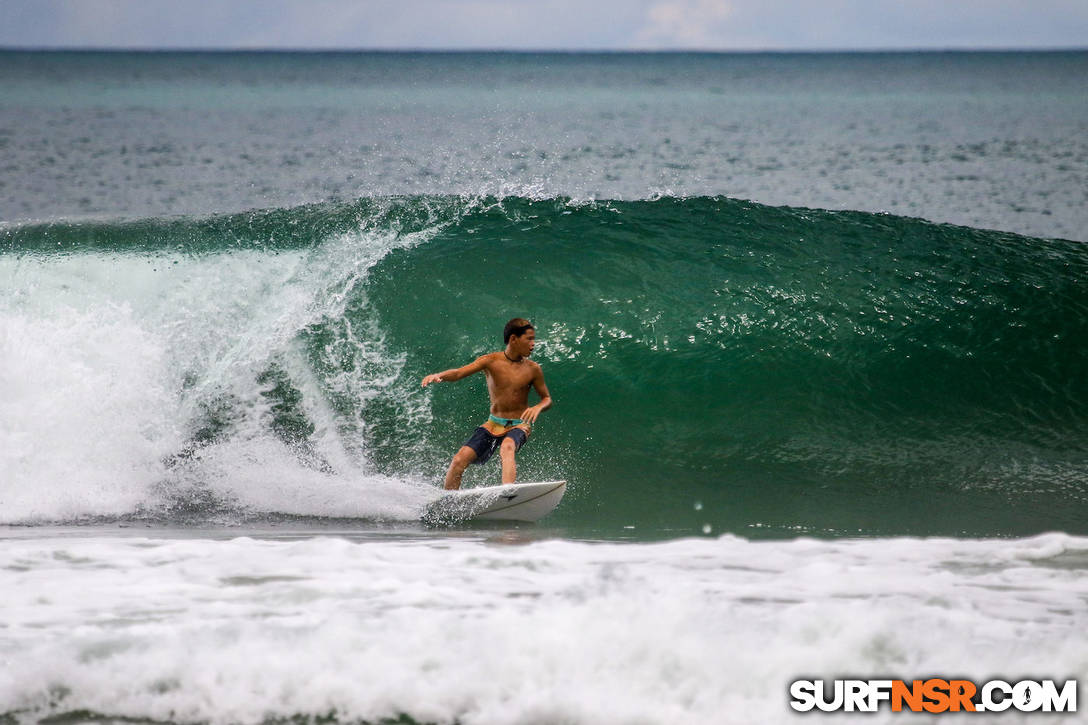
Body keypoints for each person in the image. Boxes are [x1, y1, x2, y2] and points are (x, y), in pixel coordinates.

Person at [421, 318, 552, 489]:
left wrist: (538, 407)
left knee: (507, 447)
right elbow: (459, 373)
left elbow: (547, 399)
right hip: (493, 424)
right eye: (529, 339)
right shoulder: (490, 361)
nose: (533, 344)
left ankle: (508, 493)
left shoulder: (533, 369)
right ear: (513, 339)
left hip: (519, 425)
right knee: (459, 460)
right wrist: (439, 375)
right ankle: (447, 502)